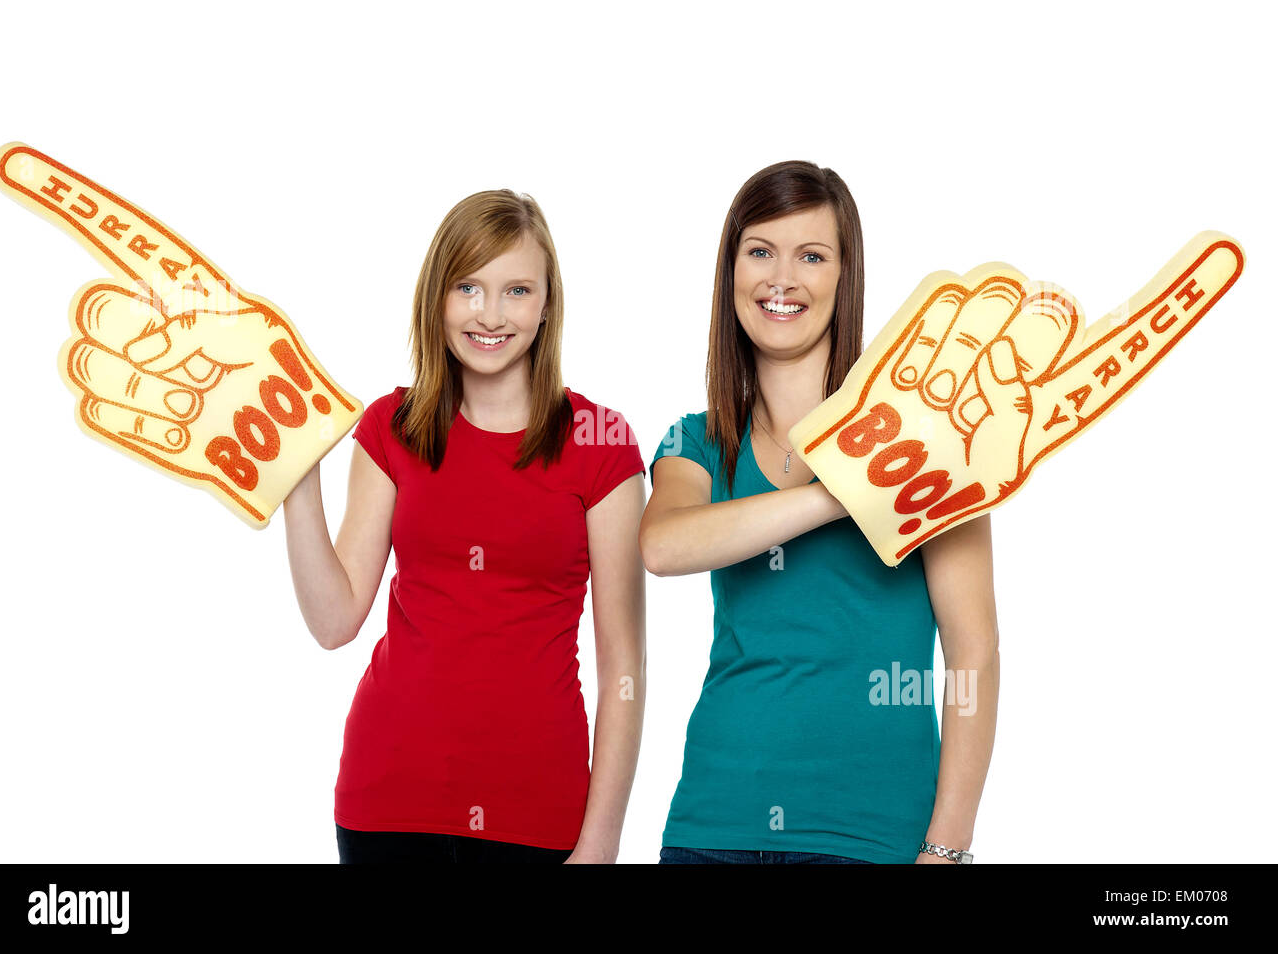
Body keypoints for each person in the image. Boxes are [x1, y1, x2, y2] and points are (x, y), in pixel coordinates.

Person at [640, 160, 999, 864]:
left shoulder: (927, 441)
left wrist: (947, 848)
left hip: (871, 835)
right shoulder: (697, 441)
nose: (782, 278)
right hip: (712, 828)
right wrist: (837, 493)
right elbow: (663, 546)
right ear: (731, 271)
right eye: (760, 252)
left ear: (845, 275)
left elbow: (974, 653)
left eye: (811, 255)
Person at [284, 190, 647, 863]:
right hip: (388, 801)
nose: (490, 314)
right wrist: (296, 482)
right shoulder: (392, 426)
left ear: (547, 304)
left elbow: (623, 662)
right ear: (438, 298)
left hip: (538, 811)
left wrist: (602, 840)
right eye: (468, 287)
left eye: (517, 291)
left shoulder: (601, 441)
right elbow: (334, 621)